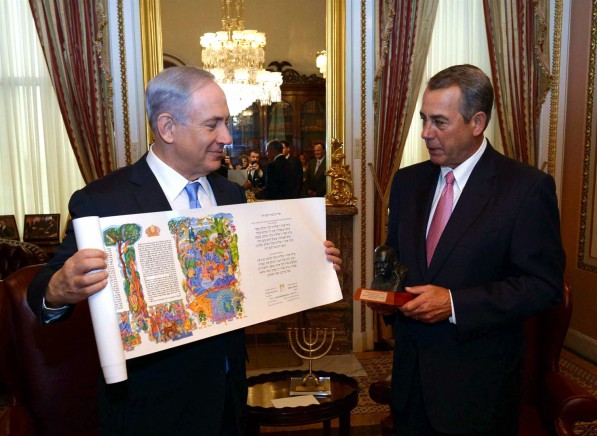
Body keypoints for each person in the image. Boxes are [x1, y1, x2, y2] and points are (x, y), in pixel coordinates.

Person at [27, 66, 342, 435]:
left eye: (225, 123)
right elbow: (42, 293)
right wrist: (58, 290)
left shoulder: (230, 194)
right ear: (167, 128)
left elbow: (245, 279)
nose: (227, 136)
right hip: (152, 409)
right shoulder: (103, 200)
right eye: (213, 125)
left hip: (229, 397)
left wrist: (309, 264)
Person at [368, 64, 564, 435]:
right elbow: (397, 263)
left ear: (477, 122)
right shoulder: (407, 183)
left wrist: (455, 304)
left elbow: (543, 285)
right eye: (424, 120)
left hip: (478, 388)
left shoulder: (525, 189)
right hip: (411, 383)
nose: (426, 133)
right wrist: (386, 296)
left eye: (439, 122)